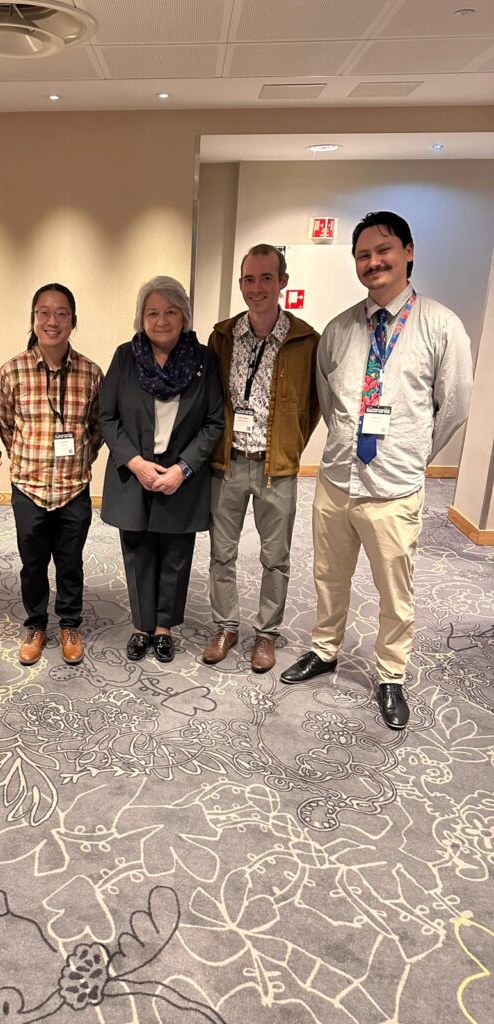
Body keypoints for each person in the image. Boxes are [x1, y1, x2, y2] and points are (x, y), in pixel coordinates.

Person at [281, 212, 474, 729]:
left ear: (409, 251)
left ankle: (390, 674)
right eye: (363, 255)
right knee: (328, 576)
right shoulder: (341, 329)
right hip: (337, 479)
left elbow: (453, 405)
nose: (374, 262)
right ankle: (324, 650)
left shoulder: (440, 324)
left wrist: (413, 457)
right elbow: (327, 399)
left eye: (383, 250)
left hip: (393, 487)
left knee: (395, 589)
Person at [203, 244, 320, 672]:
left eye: (266, 278)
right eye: (249, 279)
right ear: (240, 285)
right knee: (222, 552)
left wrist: (289, 445)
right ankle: (226, 626)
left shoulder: (305, 339)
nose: (257, 288)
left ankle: (266, 634)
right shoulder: (223, 336)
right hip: (228, 462)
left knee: (276, 556)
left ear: (282, 282)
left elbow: (313, 403)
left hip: (277, 467)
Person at [100, 275, 224, 662]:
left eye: (171, 311)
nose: (162, 320)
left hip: (180, 476)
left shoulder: (204, 359)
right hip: (134, 472)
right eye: (152, 312)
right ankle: (141, 626)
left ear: (184, 315)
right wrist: (135, 463)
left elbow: (214, 422)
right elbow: (108, 417)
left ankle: (164, 627)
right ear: (141, 317)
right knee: (137, 550)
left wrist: (183, 469)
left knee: (175, 552)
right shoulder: (125, 356)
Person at [0, 283, 102, 667]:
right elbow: (5, 424)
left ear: (73, 321)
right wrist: (26, 459)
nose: (52, 321)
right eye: (43, 312)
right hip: (29, 487)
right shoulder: (12, 371)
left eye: (61, 313)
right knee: (33, 563)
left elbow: (97, 427)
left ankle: (70, 624)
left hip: (73, 487)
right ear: (33, 318)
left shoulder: (91, 372)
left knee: (71, 562)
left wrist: (80, 461)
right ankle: (37, 624)